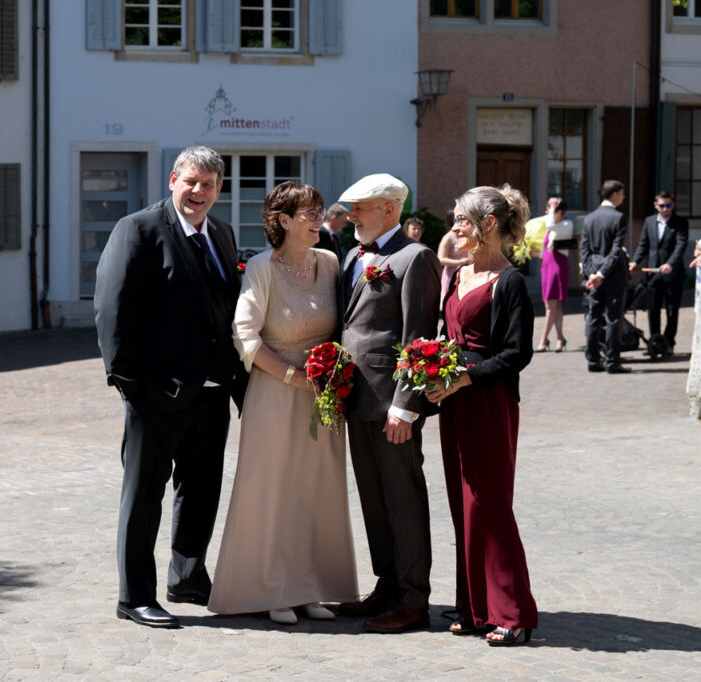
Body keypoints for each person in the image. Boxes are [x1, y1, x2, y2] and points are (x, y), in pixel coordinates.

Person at [94, 145, 248, 629]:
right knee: (144, 495)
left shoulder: (221, 234)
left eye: (209, 184)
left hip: (212, 391)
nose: (199, 192)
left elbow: (225, 309)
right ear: (172, 180)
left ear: (219, 190)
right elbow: (112, 311)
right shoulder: (137, 229)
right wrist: (130, 385)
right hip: (155, 393)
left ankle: (187, 577)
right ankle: (134, 595)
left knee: (201, 490)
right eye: (191, 181)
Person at [207, 181, 358, 625]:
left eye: (319, 211)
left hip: (322, 400)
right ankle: (271, 588)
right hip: (276, 393)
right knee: (273, 492)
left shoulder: (330, 262)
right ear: (284, 221)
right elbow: (246, 338)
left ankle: (308, 588)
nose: (319, 219)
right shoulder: (262, 268)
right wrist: (295, 377)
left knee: (315, 493)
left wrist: (332, 375)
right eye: (309, 213)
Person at [425, 184, 538, 647]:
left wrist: (467, 378)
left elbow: (517, 354)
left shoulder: (509, 282)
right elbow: (445, 336)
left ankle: (513, 612)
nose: (454, 228)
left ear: (487, 225)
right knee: (462, 505)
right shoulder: (457, 275)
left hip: (488, 403)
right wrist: (429, 366)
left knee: (489, 505)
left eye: (462, 220)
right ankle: (474, 609)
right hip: (454, 403)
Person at [337, 173, 442, 633]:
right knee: (373, 500)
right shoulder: (354, 257)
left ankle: (414, 598)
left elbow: (417, 338)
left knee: (402, 499)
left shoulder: (414, 257)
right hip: (356, 400)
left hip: (391, 406)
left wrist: (406, 405)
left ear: (390, 208)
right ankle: (386, 586)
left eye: (360, 206)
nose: (352, 215)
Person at [629, 191, 689, 356]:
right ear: (656, 205)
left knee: (671, 309)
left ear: (673, 205)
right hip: (653, 273)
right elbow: (643, 244)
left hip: (672, 274)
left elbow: (681, 245)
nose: (665, 209)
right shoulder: (649, 222)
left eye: (668, 205)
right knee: (653, 309)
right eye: (662, 205)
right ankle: (655, 342)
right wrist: (635, 261)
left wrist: (670, 264)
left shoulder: (680, 222)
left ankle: (669, 342)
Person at [580, 180, 631, 374]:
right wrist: (601, 274)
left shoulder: (589, 218)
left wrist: (590, 273)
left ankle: (593, 360)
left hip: (594, 274)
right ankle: (612, 362)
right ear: (615, 194)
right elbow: (616, 250)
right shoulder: (619, 217)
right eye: (622, 193)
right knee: (612, 318)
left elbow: (584, 250)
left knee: (593, 317)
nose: (624, 197)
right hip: (613, 276)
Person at [536, 199, 572, 352]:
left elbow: (550, 224)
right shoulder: (553, 228)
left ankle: (543, 339)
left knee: (551, 306)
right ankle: (560, 338)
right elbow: (546, 249)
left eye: (550, 210)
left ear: (559, 212)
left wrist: (552, 207)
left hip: (558, 266)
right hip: (547, 265)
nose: (547, 213)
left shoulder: (566, 224)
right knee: (553, 305)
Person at [438, 210, 473, 307]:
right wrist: (461, 261)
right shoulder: (448, 238)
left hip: (466, 272)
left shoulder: (466, 235)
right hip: (451, 274)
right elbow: (441, 259)